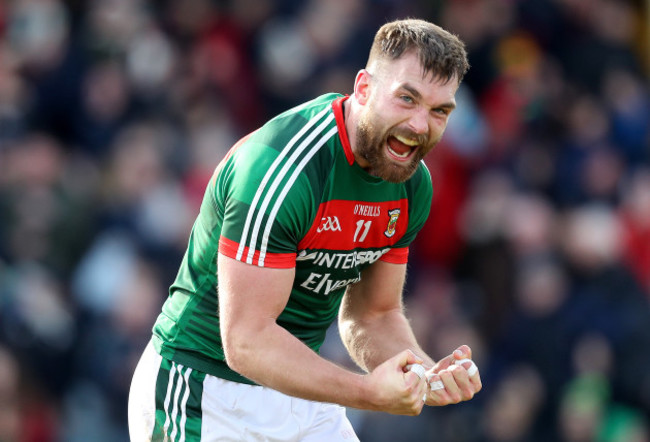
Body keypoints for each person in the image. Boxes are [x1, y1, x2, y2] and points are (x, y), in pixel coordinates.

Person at [128, 18, 481, 441]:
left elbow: (373, 314)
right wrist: (369, 392)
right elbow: (246, 341)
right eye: (407, 99)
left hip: (300, 388)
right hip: (203, 391)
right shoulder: (283, 168)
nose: (420, 126)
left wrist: (422, 376)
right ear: (364, 88)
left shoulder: (411, 183)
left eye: (439, 111)